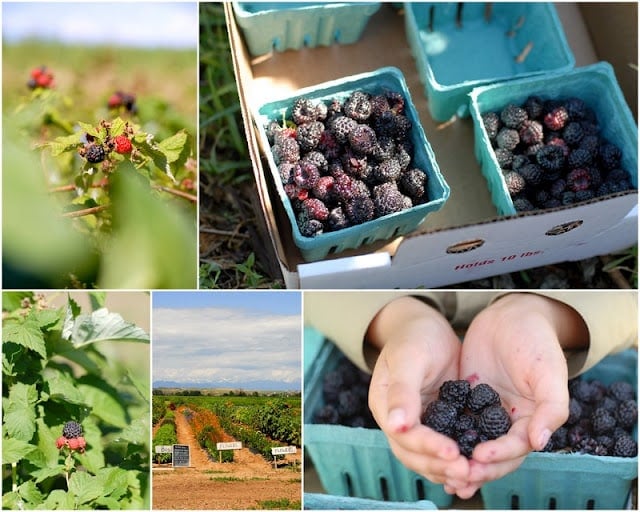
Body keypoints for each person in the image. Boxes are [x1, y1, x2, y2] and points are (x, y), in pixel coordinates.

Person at [304, 291, 637, 498]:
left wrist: (546, 314)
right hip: (410, 349)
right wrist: (399, 320)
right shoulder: (464, 406)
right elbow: (316, 297)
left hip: (523, 359)